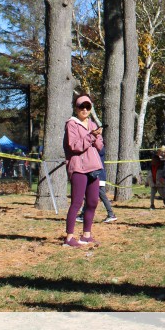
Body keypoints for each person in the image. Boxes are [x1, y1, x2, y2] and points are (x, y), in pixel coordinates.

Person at [63, 94, 104, 247]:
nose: (85, 110)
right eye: (82, 107)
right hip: (78, 168)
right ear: (76, 108)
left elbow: (99, 147)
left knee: (93, 202)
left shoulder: (93, 124)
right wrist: (91, 136)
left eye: (88, 107)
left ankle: (86, 235)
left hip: (93, 167)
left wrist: (97, 136)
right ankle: (69, 238)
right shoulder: (71, 124)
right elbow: (75, 146)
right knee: (77, 202)